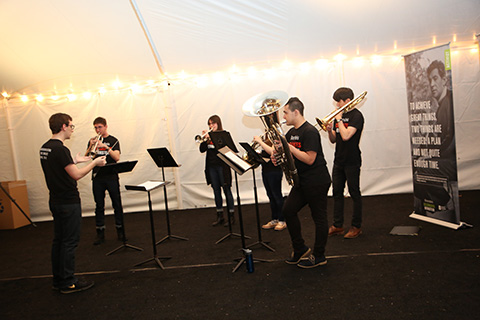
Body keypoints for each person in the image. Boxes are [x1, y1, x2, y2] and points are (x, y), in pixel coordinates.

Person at [40, 113, 106, 294]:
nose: (71, 129)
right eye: (71, 126)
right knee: (69, 242)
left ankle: (58, 279)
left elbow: (58, 166)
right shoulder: (61, 149)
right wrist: (95, 162)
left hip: (55, 200)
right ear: (63, 126)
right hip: (68, 202)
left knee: (59, 241)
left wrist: (75, 160)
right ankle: (69, 282)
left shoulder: (45, 148)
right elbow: (76, 175)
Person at [274, 97, 331, 268]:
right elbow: (291, 157)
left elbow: (309, 159)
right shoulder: (291, 134)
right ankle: (300, 248)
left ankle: (319, 256)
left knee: (319, 218)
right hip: (302, 181)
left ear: (295, 112)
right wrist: (278, 154)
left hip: (316, 180)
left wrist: (289, 148)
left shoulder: (310, 132)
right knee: (288, 210)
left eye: (285, 112)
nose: (283, 116)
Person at [326, 87, 365, 239]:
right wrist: (330, 130)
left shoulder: (357, 116)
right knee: (337, 193)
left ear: (347, 101)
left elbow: (347, 135)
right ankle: (338, 225)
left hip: (352, 160)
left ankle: (356, 226)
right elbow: (335, 139)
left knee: (354, 193)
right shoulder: (339, 117)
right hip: (339, 160)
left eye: (338, 102)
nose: (336, 106)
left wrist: (339, 119)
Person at [87, 117, 123, 245]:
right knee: (99, 205)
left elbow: (117, 157)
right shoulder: (93, 140)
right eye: (95, 127)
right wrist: (91, 145)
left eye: (100, 127)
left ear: (106, 126)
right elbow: (88, 157)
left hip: (111, 176)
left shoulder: (113, 140)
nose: (98, 130)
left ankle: (120, 231)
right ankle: (100, 233)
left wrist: (105, 147)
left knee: (117, 204)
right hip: (98, 177)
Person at [199, 115, 235, 227]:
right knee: (216, 191)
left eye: (213, 123)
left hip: (222, 166)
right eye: (209, 124)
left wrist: (213, 137)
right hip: (211, 167)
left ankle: (231, 216)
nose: (211, 126)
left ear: (218, 123)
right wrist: (205, 139)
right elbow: (201, 150)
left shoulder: (223, 135)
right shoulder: (208, 138)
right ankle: (220, 216)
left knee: (226, 190)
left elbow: (229, 149)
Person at [253, 128, 286, 231]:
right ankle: (275, 219)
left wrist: (260, 142)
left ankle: (282, 220)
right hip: (266, 170)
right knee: (271, 195)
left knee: (277, 195)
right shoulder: (265, 138)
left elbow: (272, 151)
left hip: (274, 171)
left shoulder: (276, 137)